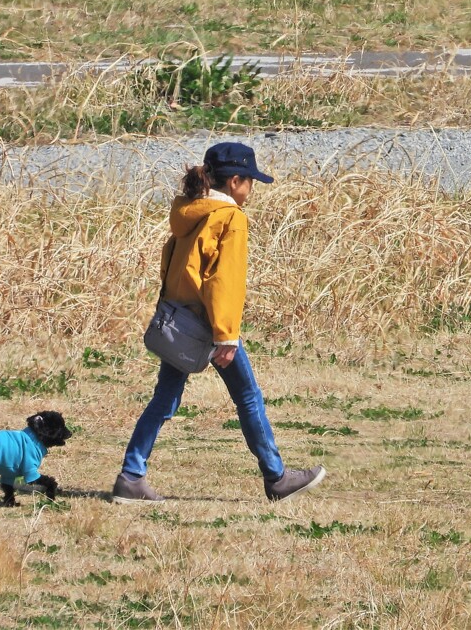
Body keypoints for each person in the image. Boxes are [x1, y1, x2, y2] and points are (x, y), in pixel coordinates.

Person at [112, 142, 326, 503]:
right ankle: (276, 478)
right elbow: (224, 280)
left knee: (165, 399)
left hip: (178, 322)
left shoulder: (189, 213)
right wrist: (226, 337)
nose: (252, 189)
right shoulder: (230, 218)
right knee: (248, 397)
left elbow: (174, 267)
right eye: (251, 181)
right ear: (235, 181)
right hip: (208, 327)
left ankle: (131, 476)